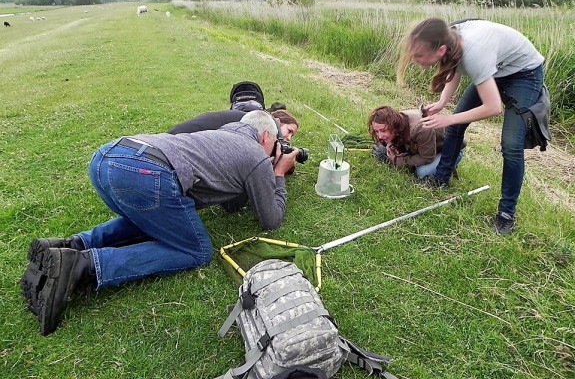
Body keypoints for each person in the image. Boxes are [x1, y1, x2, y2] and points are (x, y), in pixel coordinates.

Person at [21, 110, 298, 335]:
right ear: (265, 137)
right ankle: (82, 265)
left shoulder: (221, 134)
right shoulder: (255, 155)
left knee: (154, 217)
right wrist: (279, 173)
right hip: (143, 172)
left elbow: (230, 201)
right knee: (197, 250)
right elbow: (270, 220)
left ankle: (71, 244)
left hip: (108, 157)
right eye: (277, 143)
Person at [397, 18, 545, 235]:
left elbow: (493, 107)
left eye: (418, 55)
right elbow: (454, 67)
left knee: (511, 145)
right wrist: (442, 103)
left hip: (524, 74)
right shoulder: (451, 35)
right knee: (456, 125)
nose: (414, 59)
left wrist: (448, 119)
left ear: (440, 50)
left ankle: (506, 215)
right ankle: (441, 179)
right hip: (496, 69)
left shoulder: (474, 53)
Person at [367, 105, 463, 178]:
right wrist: (391, 145)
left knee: (422, 173)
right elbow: (394, 139)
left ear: (393, 125)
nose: (379, 136)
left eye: (383, 130)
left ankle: (451, 163)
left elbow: (427, 158)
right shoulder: (396, 120)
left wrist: (399, 160)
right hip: (423, 146)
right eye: (376, 131)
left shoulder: (421, 129)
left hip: (448, 149)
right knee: (380, 150)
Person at [168, 108, 299, 141]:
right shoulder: (255, 124)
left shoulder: (250, 117)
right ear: (278, 121)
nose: (289, 138)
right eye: (289, 131)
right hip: (181, 136)